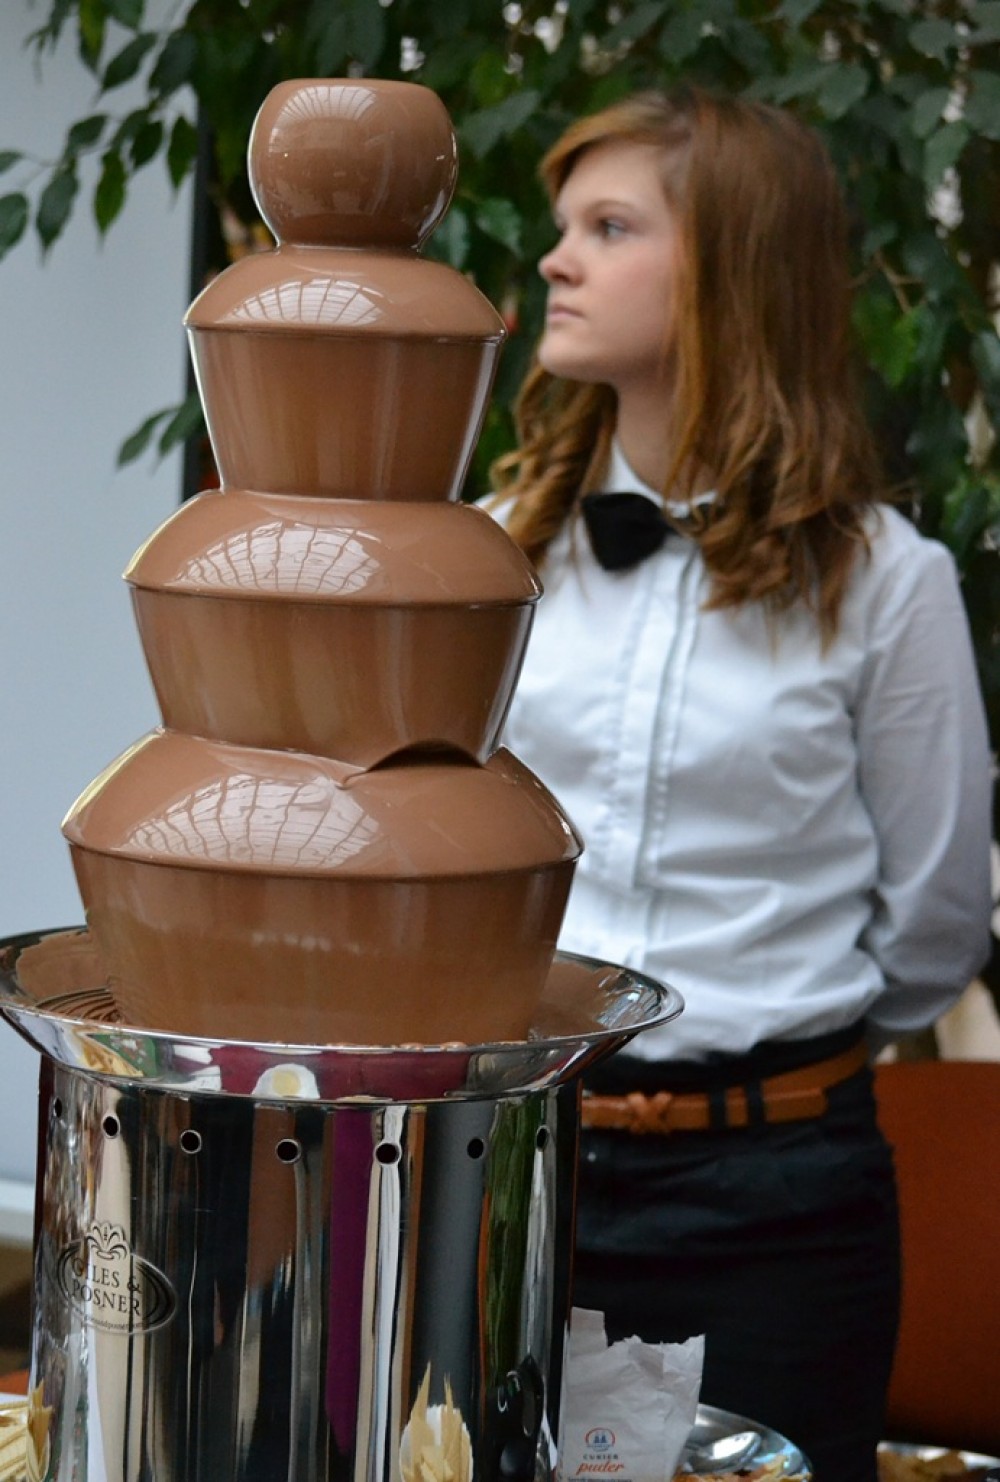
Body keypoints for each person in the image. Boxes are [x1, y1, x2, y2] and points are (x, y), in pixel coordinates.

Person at [487, 86, 994, 1482]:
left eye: (610, 227)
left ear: (731, 267)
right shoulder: (493, 554)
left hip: (783, 1198)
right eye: (564, 226)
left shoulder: (888, 584)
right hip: (524, 1169)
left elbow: (936, 926)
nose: (556, 260)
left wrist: (771, 1041)